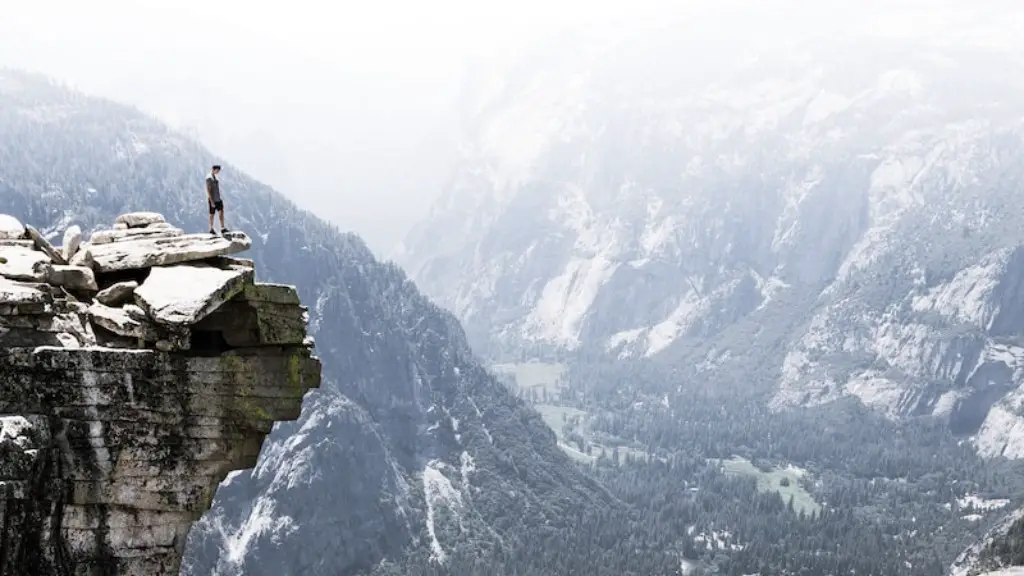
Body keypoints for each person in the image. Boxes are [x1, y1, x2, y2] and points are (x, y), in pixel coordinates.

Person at [205, 165, 229, 234]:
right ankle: (211, 229)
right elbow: (208, 190)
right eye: (217, 170)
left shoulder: (216, 177)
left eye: (218, 171)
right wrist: (211, 201)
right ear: (213, 169)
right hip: (212, 199)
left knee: (221, 211)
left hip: (218, 198)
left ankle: (222, 228)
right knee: (212, 214)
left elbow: (217, 189)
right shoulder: (209, 178)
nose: (217, 172)